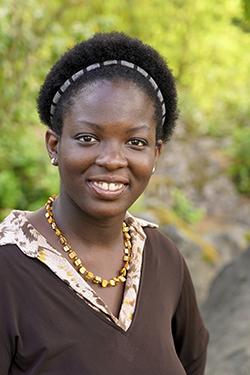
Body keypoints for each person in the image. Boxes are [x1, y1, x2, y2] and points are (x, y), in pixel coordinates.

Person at [0, 32, 208, 374]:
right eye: (88, 138)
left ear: (156, 153)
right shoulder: (9, 268)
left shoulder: (163, 257)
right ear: (54, 145)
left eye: (135, 142)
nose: (112, 159)